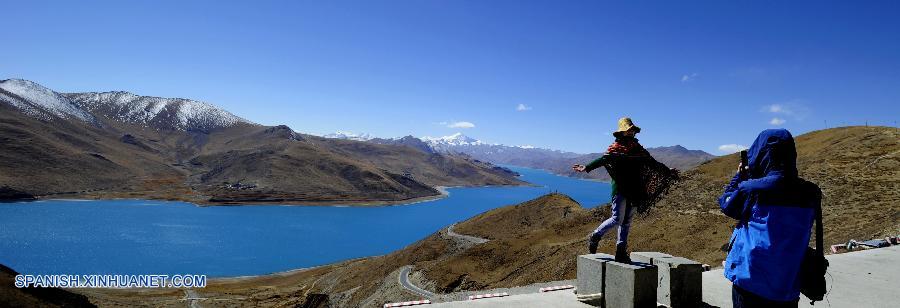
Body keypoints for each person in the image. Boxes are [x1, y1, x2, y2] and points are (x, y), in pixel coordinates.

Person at [719, 129, 821, 308]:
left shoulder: (753, 189)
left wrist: (740, 176)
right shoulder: (811, 192)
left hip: (750, 283)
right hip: (787, 286)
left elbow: (727, 204)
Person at [573, 117, 678, 263]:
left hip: (636, 189)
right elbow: (604, 160)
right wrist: (587, 167)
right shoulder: (615, 148)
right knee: (617, 219)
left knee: (627, 221)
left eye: (632, 130)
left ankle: (621, 252)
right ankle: (596, 235)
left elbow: (652, 163)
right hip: (620, 188)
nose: (630, 133)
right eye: (628, 130)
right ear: (621, 132)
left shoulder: (639, 150)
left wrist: (667, 170)